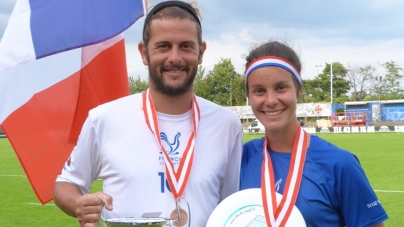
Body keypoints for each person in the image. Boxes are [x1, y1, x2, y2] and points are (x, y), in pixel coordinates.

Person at [53, 1, 243, 226]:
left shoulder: (227, 124)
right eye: (163, 46)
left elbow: (231, 205)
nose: (175, 57)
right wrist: (79, 203)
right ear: (144, 53)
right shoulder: (104, 118)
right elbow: (65, 184)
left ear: (201, 52)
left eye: (186, 46)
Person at [240, 41, 388, 226]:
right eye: (259, 91)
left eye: (280, 88)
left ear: (298, 90)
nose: (270, 101)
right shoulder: (240, 158)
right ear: (249, 96)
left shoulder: (340, 164)